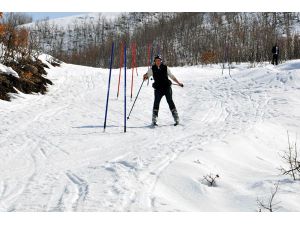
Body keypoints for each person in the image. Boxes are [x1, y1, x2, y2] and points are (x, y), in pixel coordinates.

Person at [143, 55, 184, 126]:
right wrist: (145, 76)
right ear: (154, 61)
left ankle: (176, 118)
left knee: (170, 101)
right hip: (158, 89)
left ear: (161, 61)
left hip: (166, 88)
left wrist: (178, 83)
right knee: (156, 103)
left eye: (159, 60)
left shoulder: (165, 67)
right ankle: (154, 120)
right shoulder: (152, 69)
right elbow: (146, 77)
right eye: (156, 61)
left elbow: (172, 76)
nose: (158, 62)